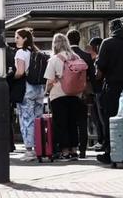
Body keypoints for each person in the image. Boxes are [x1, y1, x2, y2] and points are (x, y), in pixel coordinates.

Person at [95, 19, 123, 164]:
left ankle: (111, 151)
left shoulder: (107, 43)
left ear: (111, 29)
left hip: (112, 88)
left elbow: (100, 69)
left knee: (111, 120)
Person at [43, 33, 83, 161]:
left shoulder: (54, 59)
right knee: (73, 122)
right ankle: (74, 150)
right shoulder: (76, 57)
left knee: (61, 123)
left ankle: (65, 151)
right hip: (75, 94)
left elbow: (50, 80)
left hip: (59, 95)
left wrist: (46, 91)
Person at [13, 28, 45, 162]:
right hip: (39, 89)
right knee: (38, 119)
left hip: (26, 89)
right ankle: (40, 148)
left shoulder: (21, 52)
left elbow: (20, 72)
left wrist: (11, 77)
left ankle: (29, 150)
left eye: (17, 37)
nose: (15, 40)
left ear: (24, 39)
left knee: (26, 119)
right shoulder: (36, 52)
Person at [67, 29, 94, 159]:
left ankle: (72, 149)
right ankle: (83, 150)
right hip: (82, 92)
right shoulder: (86, 56)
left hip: (67, 93)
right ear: (79, 40)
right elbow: (92, 76)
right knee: (83, 122)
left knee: (70, 122)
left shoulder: (65, 56)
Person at [87, 37, 105, 151]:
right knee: (96, 116)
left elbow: (98, 75)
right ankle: (101, 139)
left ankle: (102, 140)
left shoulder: (99, 59)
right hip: (96, 91)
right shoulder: (96, 58)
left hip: (98, 90)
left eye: (91, 47)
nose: (90, 50)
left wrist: (90, 77)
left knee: (100, 117)